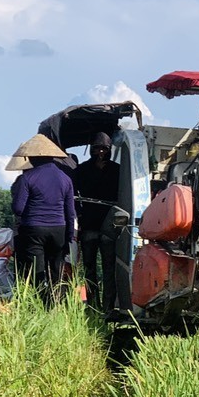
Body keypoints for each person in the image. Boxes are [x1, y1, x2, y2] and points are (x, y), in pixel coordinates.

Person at [11, 134, 76, 306]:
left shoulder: (27, 177)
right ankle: (55, 306)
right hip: (59, 230)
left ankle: (40, 305)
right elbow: (70, 212)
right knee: (56, 271)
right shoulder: (65, 179)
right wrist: (69, 237)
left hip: (33, 229)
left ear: (32, 157)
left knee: (37, 271)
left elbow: (18, 209)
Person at [71, 131, 122, 313]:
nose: (100, 152)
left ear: (109, 150)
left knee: (109, 269)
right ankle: (92, 305)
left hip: (110, 226)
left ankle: (108, 307)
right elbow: (74, 197)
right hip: (90, 225)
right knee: (89, 269)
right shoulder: (82, 170)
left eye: (104, 149)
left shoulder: (117, 170)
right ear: (91, 150)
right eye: (97, 148)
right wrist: (80, 216)